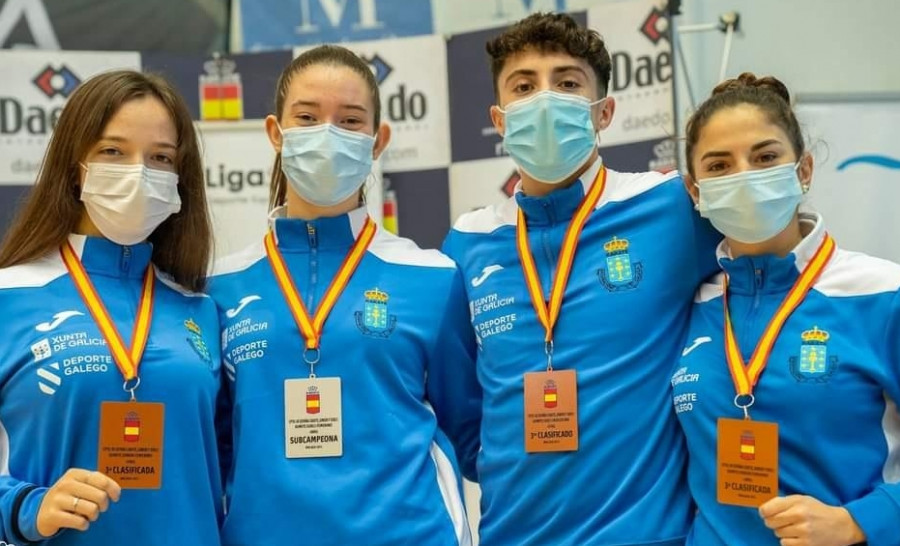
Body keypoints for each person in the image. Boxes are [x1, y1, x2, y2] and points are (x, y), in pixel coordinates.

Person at [442, 12, 719, 546]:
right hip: (511, 534)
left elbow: (767, 284)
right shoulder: (467, 242)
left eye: (567, 83)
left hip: (647, 535)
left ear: (604, 111)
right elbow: (460, 406)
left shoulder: (670, 207)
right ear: (499, 119)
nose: (545, 99)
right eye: (524, 86)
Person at [209, 45, 481, 546]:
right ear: (276, 133)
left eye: (350, 120)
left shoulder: (433, 277)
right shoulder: (220, 288)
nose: (328, 134)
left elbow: (474, 436)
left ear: (378, 142)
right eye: (307, 117)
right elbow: (214, 449)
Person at [673, 72, 900, 546]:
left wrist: (861, 521)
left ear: (804, 170)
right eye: (719, 166)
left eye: (765, 157)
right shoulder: (689, 306)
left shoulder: (882, 294)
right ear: (695, 192)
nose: (744, 175)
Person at [0, 70, 223, 545]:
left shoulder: (201, 308)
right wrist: (23, 508)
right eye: (113, 151)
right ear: (74, 163)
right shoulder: (8, 297)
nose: (139, 172)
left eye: (161, 157)